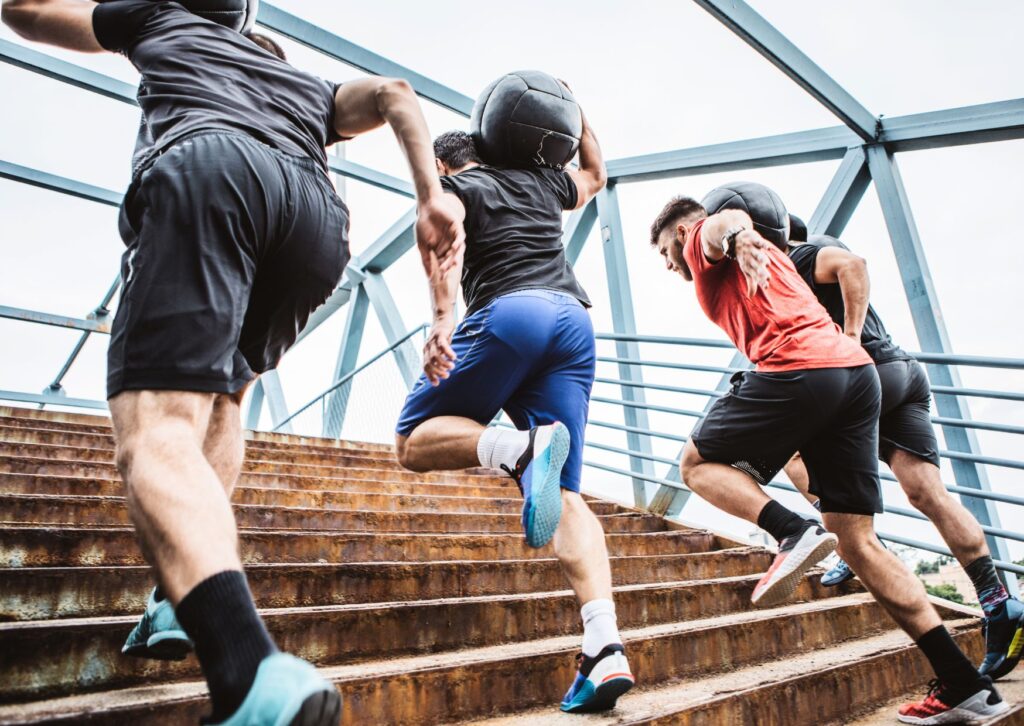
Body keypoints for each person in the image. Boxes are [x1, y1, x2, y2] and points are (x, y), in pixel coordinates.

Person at [1, 1, 463, 724]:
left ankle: (250, 674)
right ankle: (174, 601)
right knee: (227, 399)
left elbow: (22, 11)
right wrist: (431, 198)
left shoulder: (157, 18)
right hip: (313, 220)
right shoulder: (305, 87)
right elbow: (395, 94)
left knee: (156, 427)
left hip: (213, 169)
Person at [648, 194, 1008, 724]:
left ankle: (791, 531)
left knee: (696, 464)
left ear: (681, 233)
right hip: (859, 376)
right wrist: (747, 238)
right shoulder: (782, 257)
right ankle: (965, 684)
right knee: (856, 540)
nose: (667, 263)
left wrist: (738, 235)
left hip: (800, 369)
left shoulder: (702, 241)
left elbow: (721, 223)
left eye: (663, 251)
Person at [393, 115, 635, 713]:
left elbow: (444, 244)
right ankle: (605, 647)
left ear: (447, 165)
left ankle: (519, 449)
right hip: (574, 323)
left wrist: (442, 319)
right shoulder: (540, 182)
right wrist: (576, 112)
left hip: (511, 312)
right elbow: (596, 173)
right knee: (569, 499)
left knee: (411, 441)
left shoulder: (458, 190)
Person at [777, 207, 1021, 681]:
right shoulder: (815, 253)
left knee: (792, 453)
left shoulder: (798, 258)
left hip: (867, 378)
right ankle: (998, 603)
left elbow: (855, 265)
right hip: (902, 370)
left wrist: (847, 341)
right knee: (928, 493)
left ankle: (857, 549)